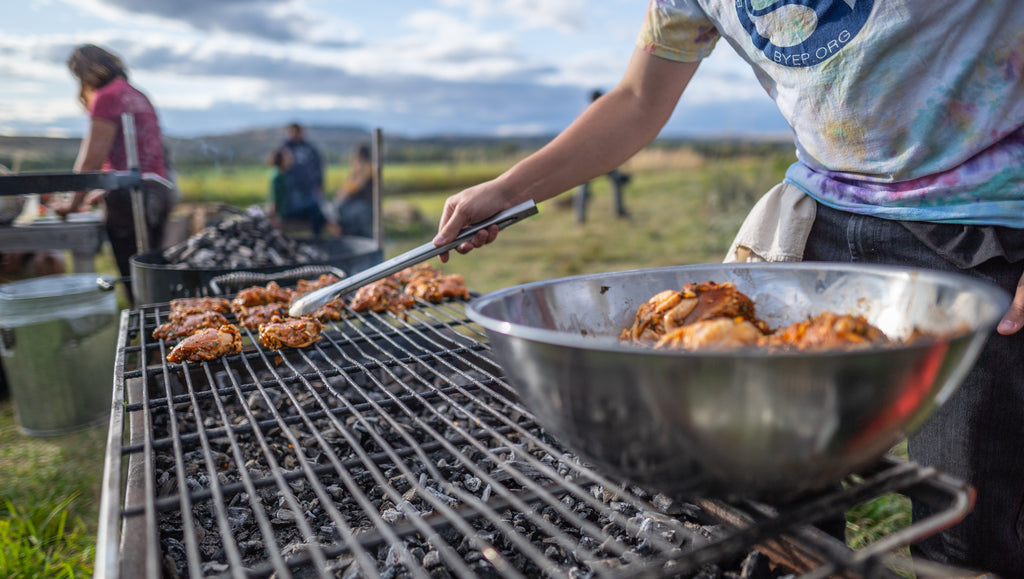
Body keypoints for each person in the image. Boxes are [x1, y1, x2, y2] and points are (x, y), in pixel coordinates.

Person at [433, 2, 1024, 576]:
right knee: (775, 499)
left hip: (989, 229)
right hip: (821, 225)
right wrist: (511, 189)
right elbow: (639, 99)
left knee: (970, 518)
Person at [56, 43, 174, 304]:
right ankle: (162, 337)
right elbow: (145, 157)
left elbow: (91, 160)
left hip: (131, 198)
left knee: (137, 282)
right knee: (154, 276)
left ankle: (151, 338)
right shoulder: (137, 94)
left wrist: (71, 203)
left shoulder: (107, 97)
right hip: (158, 191)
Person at [573, 90, 630, 224]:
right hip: (603, 157)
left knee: (584, 189)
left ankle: (580, 218)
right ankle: (619, 211)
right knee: (616, 183)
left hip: (588, 157)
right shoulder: (604, 113)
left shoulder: (583, 112)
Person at [276, 122, 326, 237]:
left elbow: (318, 166)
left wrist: (320, 183)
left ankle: (316, 237)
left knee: (316, 211)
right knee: (308, 209)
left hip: (309, 188)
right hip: (292, 191)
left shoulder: (309, 148)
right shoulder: (285, 148)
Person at [332, 143, 375, 239]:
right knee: (339, 208)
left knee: (351, 216)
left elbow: (357, 185)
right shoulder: (356, 167)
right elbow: (349, 183)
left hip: (364, 203)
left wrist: (345, 192)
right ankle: (344, 237)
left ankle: (357, 239)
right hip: (354, 202)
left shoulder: (367, 167)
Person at [266, 147, 293, 229]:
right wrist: (274, 216)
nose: (291, 160)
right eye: (288, 158)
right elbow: (275, 197)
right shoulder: (277, 176)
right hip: (278, 214)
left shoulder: (280, 174)